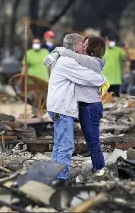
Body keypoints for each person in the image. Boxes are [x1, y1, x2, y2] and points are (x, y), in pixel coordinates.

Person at [44, 33, 109, 183]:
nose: (83, 47)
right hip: (62, 108)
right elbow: (86, 76)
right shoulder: (68, 62)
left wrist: (56, 52)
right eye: (82, 44)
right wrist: (103, 80)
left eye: (86, 45)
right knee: (65, 146)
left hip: (62, 107)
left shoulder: (68, 59)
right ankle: (61, 178)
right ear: (75, 46)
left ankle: (56, 175)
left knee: (60, 144)